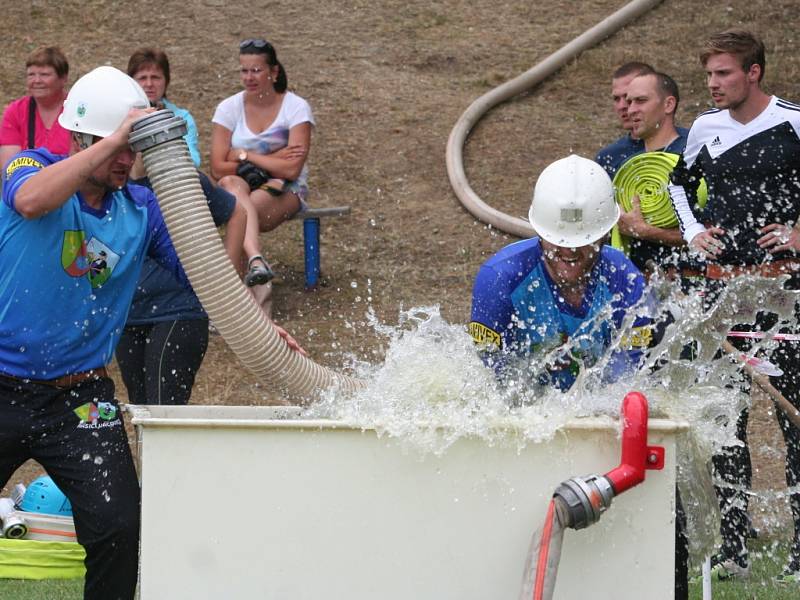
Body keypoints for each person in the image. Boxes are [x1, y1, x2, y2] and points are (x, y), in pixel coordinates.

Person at [0, 65, 167, 600]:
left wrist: (265, 326)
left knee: (119, 525)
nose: (125, 159)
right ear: (80, 138)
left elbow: (208, 276)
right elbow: (31, 201)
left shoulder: (138, 210)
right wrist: (116, 137)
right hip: (1, 384)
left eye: (131, 148)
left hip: (81, 399)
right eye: (116, 146)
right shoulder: (29, 166)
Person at [668, 28, 800, 583]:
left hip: (787, 293)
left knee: (791, 420)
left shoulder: (794, 120)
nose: (713, 85)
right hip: (723, 290)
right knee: (727, 419)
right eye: (708, 75)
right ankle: (734, 544)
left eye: (723, 73)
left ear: (754, 73)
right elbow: (679, 185)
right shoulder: (703, 128)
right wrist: (694, 231)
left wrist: (798, 233)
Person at [116, 48, 247, 406]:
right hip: (130, 313)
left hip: (179, 310)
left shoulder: (183, 181)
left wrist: (229, 277)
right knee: (141, 411)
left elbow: (236, 213)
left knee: (164, 412)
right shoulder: (114, 188)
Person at [469, 154, 653, 393]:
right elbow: (493, 375)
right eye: (559, 240)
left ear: (605, 234)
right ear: (541, 232)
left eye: (584, 240)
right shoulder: (498, 280)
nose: (570, 251)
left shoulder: (625, 279)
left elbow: (626, 373)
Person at [210, 38, 314, 289]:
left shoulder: (296, 108)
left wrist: (245, 155)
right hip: (239, 187)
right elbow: (217, 166)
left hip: (284, 190)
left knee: (240, 213)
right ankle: (255, 262)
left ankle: (231, 296)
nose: (249, 77)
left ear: (274, 72)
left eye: (256, 70)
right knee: (230, 184)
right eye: (244, 70)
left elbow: (292, 169)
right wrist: (275, 158)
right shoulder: (229, 108)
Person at [608, 71, 689, 273]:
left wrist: (646, 231)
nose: (630, 109)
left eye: (640, 101)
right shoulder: (622, 165)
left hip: (687, 282)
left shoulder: (693, 155)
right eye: (629, 102)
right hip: (634, 282)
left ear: (668, 105)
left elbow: (713, 234)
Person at [127, 47, 201, 168]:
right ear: (131, 82)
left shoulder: (181, 117)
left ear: (166, 81)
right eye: (142, 78)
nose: (149, 84)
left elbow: (194, 160)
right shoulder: (122, 116)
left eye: (155, 77)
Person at [0, 46, 71, 168]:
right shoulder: (16, 112)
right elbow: (9, 168)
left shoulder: (78, 110)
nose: (37, 80)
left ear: (63, 78)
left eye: (45, 74)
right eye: (31, 75)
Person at [594, 61, 654, 175]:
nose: (622, 106)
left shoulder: (689, 146)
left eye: (628, 97)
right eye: (616, 99)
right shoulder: (608, 158)